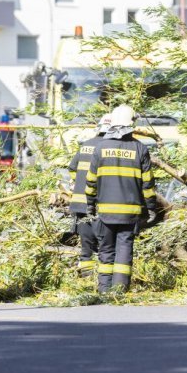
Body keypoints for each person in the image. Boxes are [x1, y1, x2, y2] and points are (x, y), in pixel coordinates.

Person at [85, 105, 158, 293]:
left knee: (106, 249)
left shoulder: (100, 148)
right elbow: (148, 184)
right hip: (130, 212)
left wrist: (90, 206)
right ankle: (119, 289)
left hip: (106, 212)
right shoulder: (140, 148)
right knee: (124, 248)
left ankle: (103, 289)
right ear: (131, 124)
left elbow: (91, 181)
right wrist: (151, 208)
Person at [67, 114, 112, 276]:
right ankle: (104, 281)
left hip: (80, 205)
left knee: (86, 247)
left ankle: (86, 278)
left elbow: (72, 169)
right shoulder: (109, 147)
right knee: (104, 246)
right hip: (98, 205)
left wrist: (80, 183)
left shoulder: (86, 145)